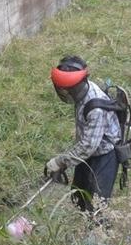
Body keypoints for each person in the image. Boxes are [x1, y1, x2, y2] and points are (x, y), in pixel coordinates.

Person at [45, 56, 122, 213]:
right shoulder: (82, 92)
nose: (68, 93)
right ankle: (82, 226)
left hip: (105, 154)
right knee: (78, 195)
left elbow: (88, 146)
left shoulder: (96, 107)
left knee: (96, 204)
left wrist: (61, 161)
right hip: (89, 152)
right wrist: (67, 161)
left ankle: (98, 235)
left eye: (71, 89)